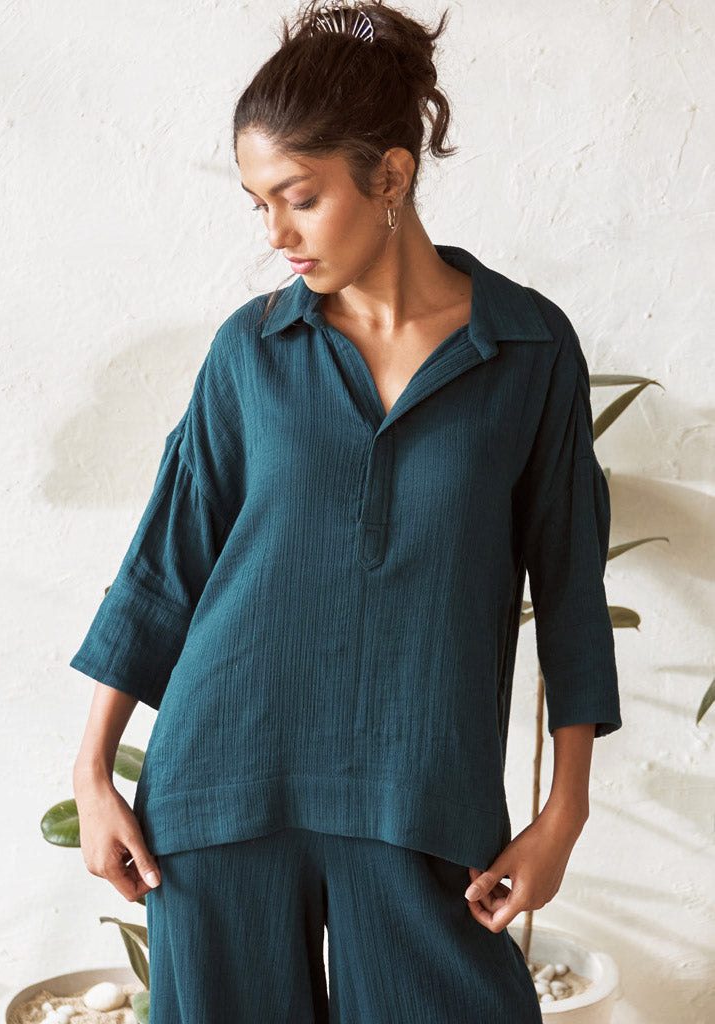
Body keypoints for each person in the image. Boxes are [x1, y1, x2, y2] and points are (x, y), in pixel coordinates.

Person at [70, 1, 622, 1021]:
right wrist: (94, 771)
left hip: (421, 796)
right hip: (222, 790)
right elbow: (167, 564)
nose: (276, 234)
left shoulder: (529, 349)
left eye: (301, 198)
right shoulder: (252, 350)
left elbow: (570, 587)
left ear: (392, 176)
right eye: (259, 204)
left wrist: (566, 813)